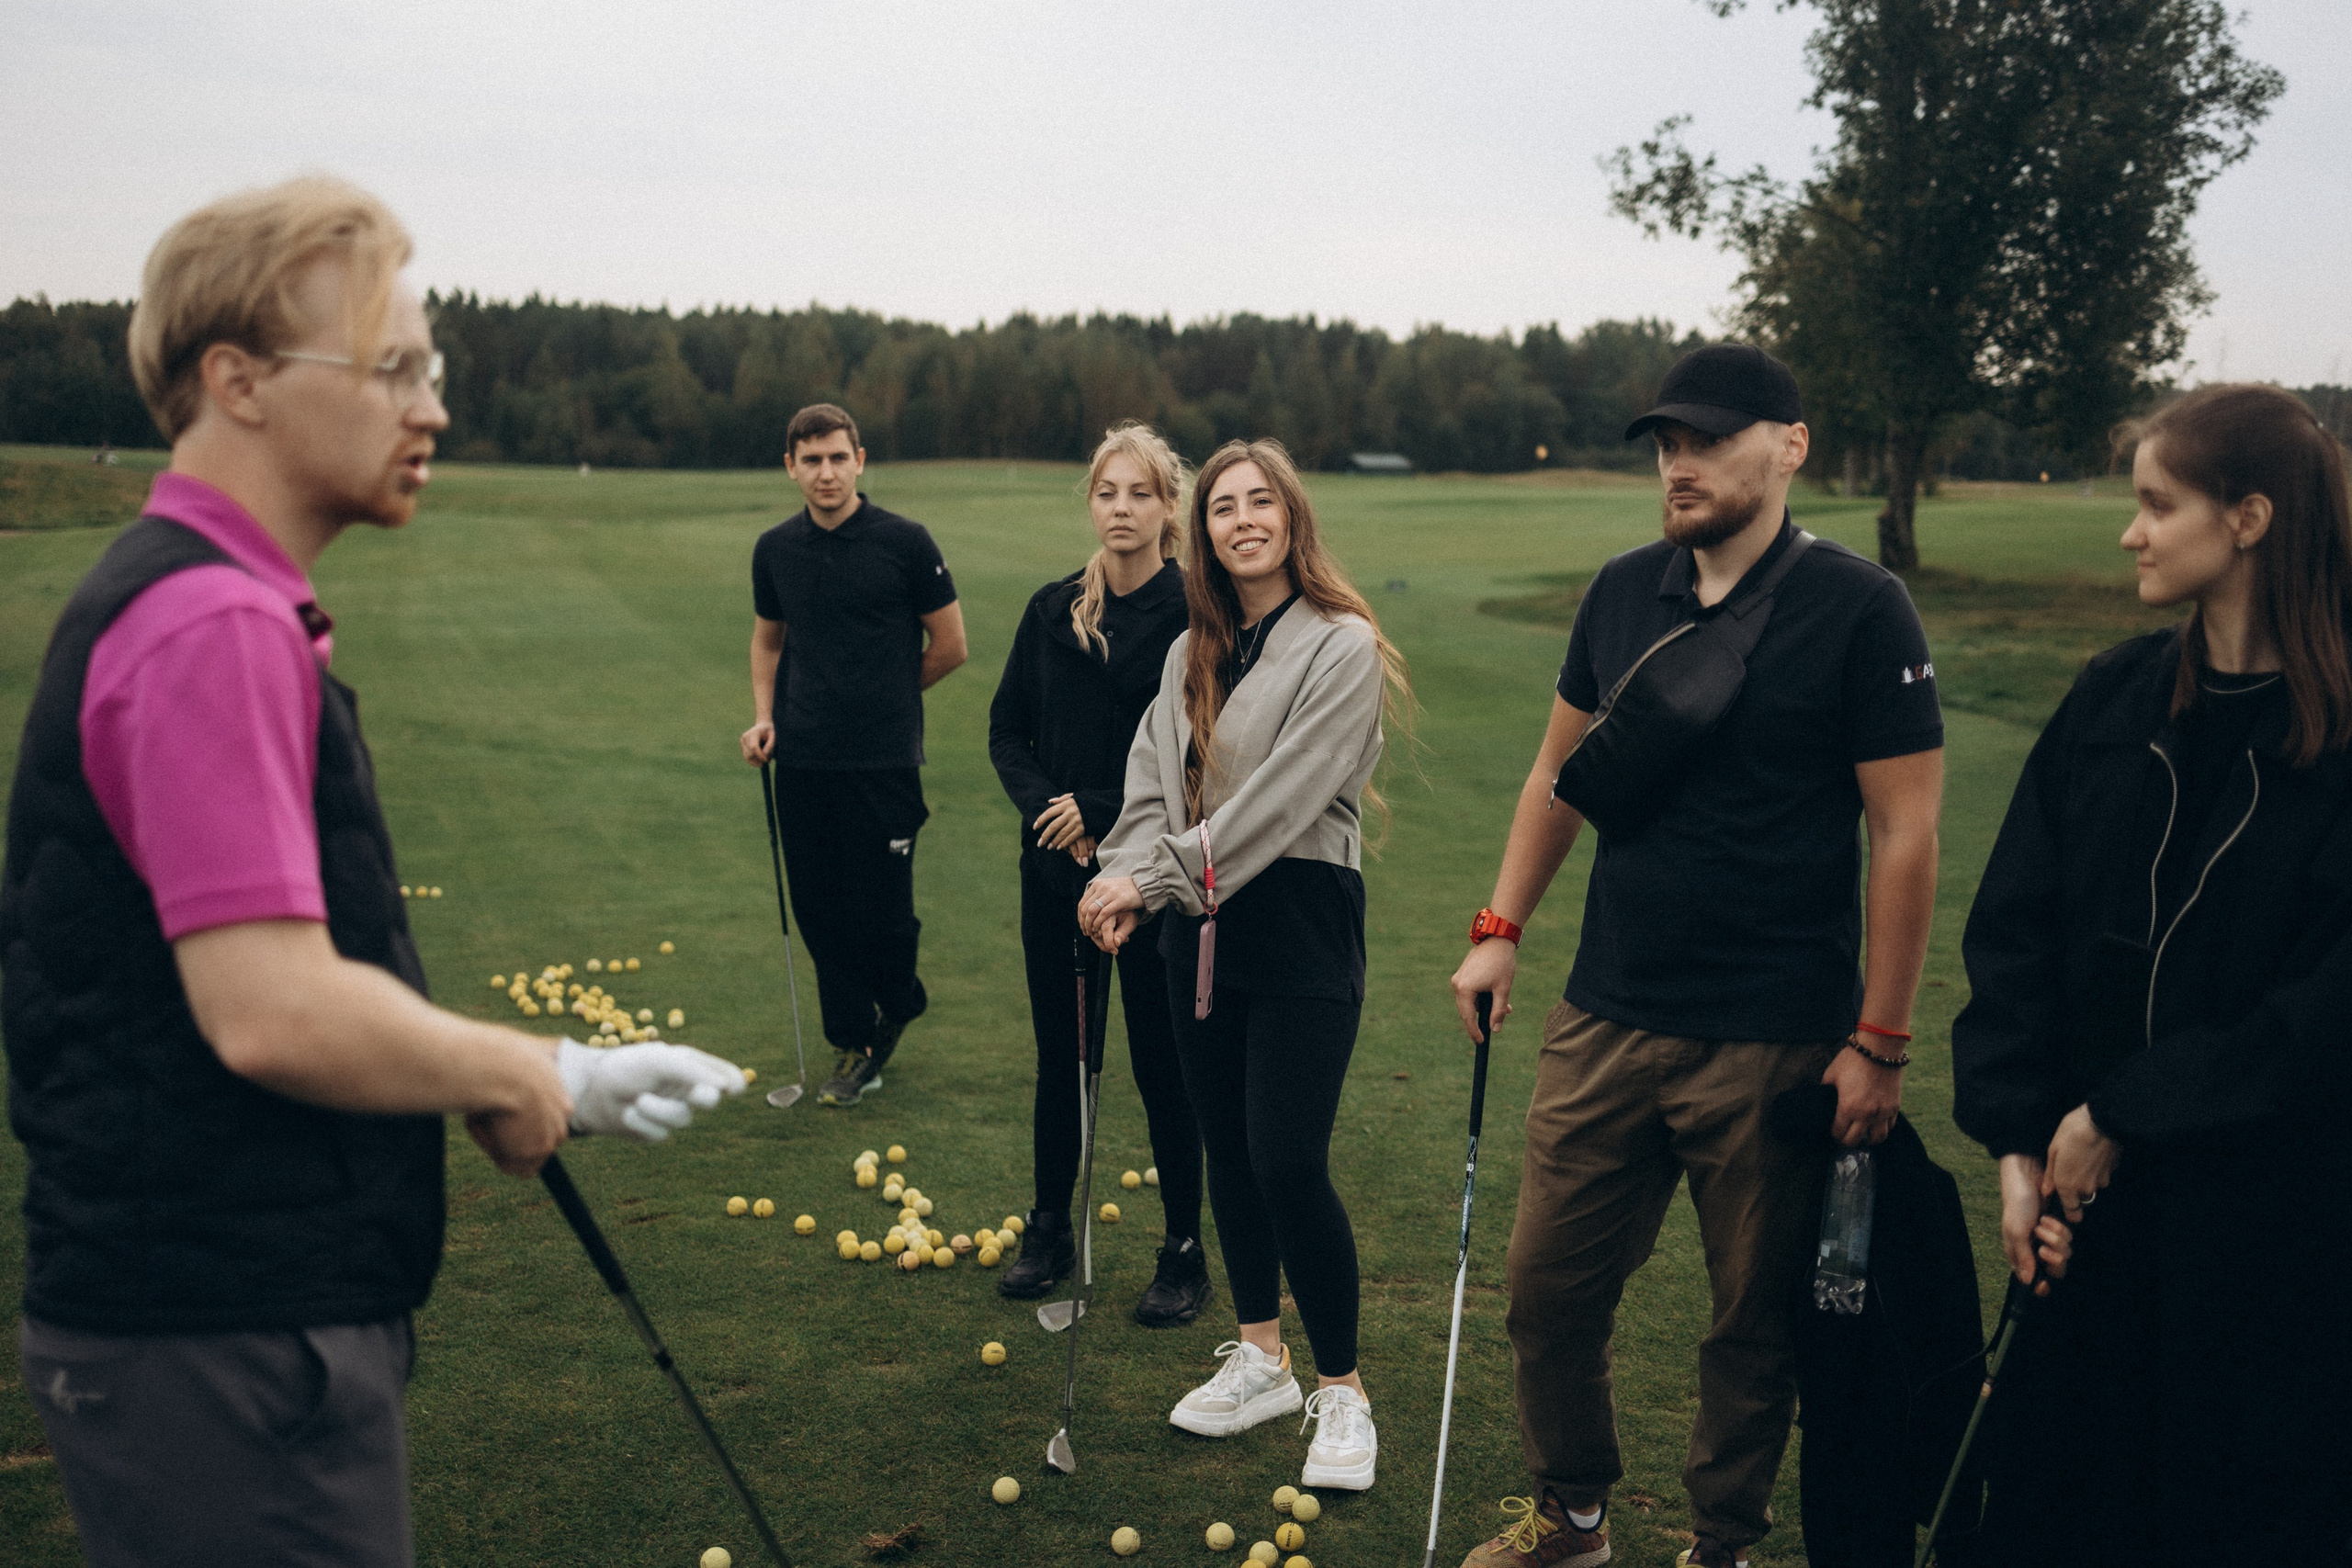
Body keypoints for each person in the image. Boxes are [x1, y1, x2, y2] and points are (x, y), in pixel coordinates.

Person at [1, 176, 744, 1568]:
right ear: (239, 382)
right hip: (223, 1327)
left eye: (433, 366)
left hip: (219, 1312)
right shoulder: (208, 624)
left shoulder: (217, 607)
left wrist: (533, 1080)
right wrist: (539, 1071)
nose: (433, 408)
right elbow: (272, 1007)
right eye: (392, 366)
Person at [1445, 344, 1949, 1568]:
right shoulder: (1622, 591)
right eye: (1666, 440)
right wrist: (1499, 930)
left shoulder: (1861, 606)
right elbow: (1557, 778)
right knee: (1545, 1290)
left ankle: (1720, 1540)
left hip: (1778, 1032)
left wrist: (1880, 1039)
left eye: (1710, 438)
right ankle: (1573, 1515)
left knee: (1752, 1325)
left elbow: (1907, 828)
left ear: (1791, 445)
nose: (1679, 461)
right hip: (1608, 1010)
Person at [1951, 383, 2352, 1567]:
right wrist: (2023, 1151)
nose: (2129, 531)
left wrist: (2125, 1111)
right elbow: (2013, 930)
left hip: (2272, 1242)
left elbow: (2322, 1016)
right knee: (2056, 1510)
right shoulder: (2113, 699)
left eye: (2154, 504)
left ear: (2248, 519)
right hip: (2088, 1227)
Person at [1080, 437, 1408, 1492]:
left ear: (1290, 518)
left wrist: (1157, 875)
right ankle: (1260, 1357)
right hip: (1197, 931)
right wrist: (1119, 876)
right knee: (1226, 1145)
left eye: (1260, 502)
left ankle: (1343, 1393)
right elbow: (1146, 780)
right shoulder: (1191, 651)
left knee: (1286, 1157)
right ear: (1205, 532)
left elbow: (1281, 800)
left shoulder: (1341, 643)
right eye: (1223, 507)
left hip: (1300, 919)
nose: (1242, 520)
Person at [987, 423, 1210, 1324]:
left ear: (1168, 507)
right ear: (1092, 501)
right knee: (1064, 1061)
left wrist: (1104, 810)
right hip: (1056, 875)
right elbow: (1005, 729)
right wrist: (1055, 811)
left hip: (1155, 877)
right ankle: (1048, 1226)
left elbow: (1205, 749)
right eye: (1107, 493)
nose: (1121, 509)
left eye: (1140, 494)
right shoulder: (1050, 610)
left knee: (1166, 1070)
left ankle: (1183, 1250)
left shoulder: (1199, 612)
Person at [739, 403, 966, 1107]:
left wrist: (887, 701)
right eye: (812, 460)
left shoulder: (905, 543)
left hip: (883, 763)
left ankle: (898, 1000)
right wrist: (764, 718)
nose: (826, 471)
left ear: (860, 460)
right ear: (791, 467)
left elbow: (951, 646)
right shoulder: (775, 549)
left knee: (883, 915)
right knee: (819, 910)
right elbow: (768, 641)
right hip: (802, 761)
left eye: (838, 457)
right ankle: (856, 1041)